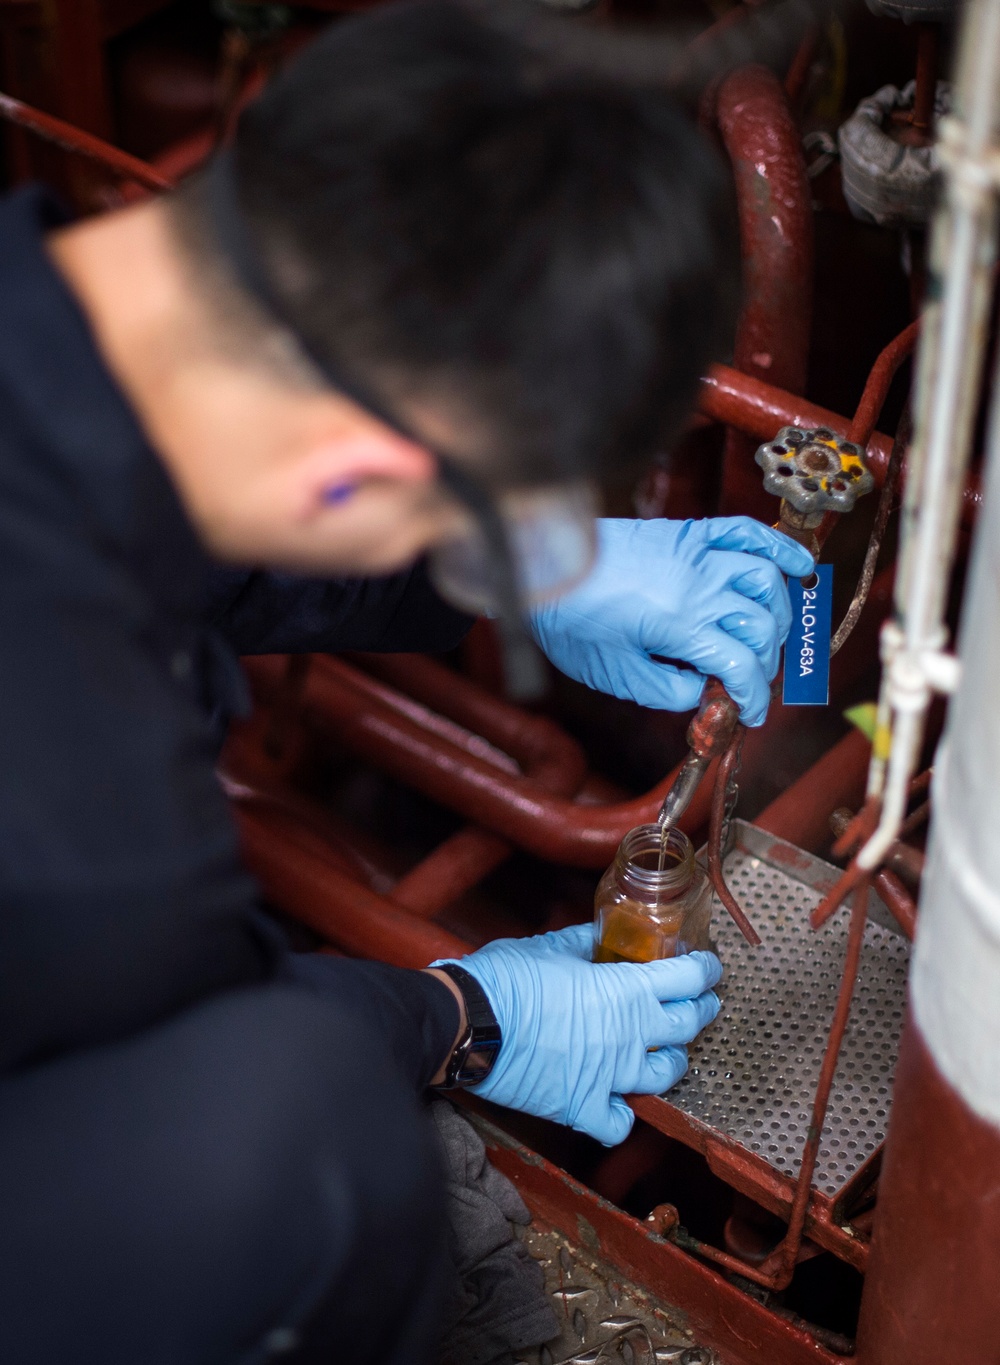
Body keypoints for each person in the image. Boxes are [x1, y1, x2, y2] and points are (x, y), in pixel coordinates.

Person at [0, 2, 814, 1361]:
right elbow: (156, 1039)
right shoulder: (91, 824)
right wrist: (461, 1013)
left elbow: (187, 508)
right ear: (358, 475)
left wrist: (524, 576)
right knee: (314, 1130)